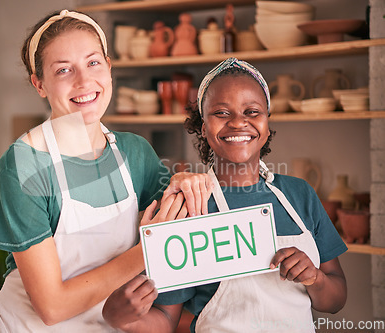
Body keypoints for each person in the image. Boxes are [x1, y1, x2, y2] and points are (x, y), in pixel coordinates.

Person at [0, 9, 212, 332]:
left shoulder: (136, 154)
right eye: (63, 70)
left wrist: (184, 184)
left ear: (109, 67)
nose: (83, 81)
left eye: (93, 63)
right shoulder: (23, 165)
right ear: (40, 84)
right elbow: (52, 306)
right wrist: (145, 252)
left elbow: (175, 234)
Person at [102, 57, 348, 333]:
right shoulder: (188, 207)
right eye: (221, 113)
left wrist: (315, 279)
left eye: (252, 112)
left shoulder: (299, 194)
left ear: (267, 125)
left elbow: (336, 299)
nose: (238, 123)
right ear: (204, 127)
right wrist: (121, 318)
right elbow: (166, 321)